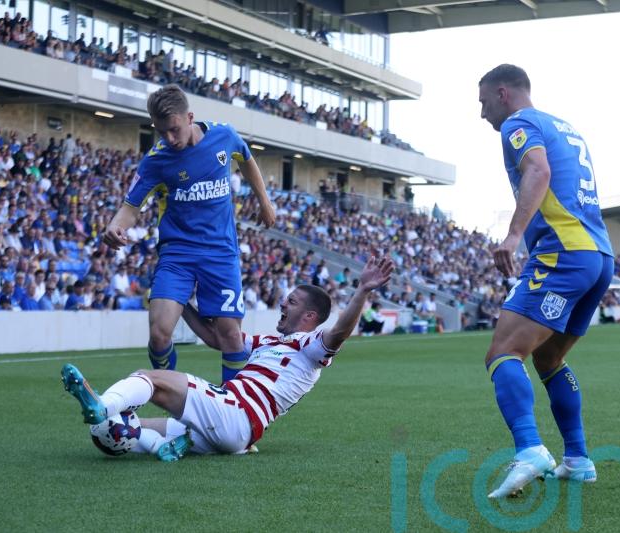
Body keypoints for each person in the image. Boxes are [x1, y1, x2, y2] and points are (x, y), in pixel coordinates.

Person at [61, 254, 394, 461]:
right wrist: (180, 302)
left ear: (309, 315)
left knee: (149, 378)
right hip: (233, 436)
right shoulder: (269, 340)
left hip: (235, 412)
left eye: (290, 302)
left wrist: (362, 291)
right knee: (121, 425)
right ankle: (154, 445)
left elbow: (339, 334)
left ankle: (100, 403)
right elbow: (215, 337)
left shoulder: (309, 345)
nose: (282, 304)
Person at [478, 64, 614, 498]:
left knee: (503, 352)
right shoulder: (564, 127)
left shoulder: (519, 123)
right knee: (549, 360)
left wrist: (513, 235)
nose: (481, 114)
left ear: (502, 93)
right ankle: (577, 459)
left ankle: (529, 450)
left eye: (482, 102)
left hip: (563, 253)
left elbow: (538, 171)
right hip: (598, 255)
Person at [103, 84, 276, 380]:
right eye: (161, 132)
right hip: (177, 254)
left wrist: (264, 200)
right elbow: (130, 207)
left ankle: (232, 411)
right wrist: (114, 227)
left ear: (190, 117)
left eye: (173, 130)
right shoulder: (156, 161)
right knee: (159, 335)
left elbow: (246, 158)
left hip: (220, 252)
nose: (169, 139)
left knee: (230, 338)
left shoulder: (225, 136)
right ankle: (167, 390)